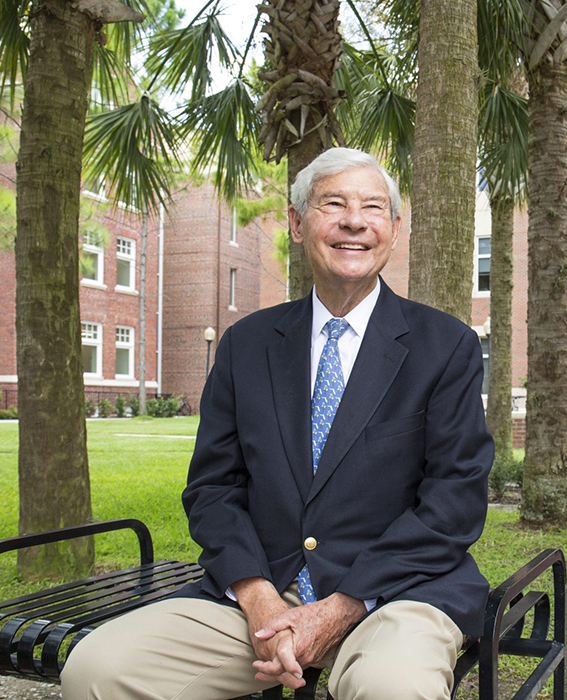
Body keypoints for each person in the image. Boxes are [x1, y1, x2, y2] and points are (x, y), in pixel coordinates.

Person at [61, 147, 494, 700]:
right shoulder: (248, 345)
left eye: (373, 207)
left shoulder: (446, 345)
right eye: (332, 203)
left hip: (397, 595)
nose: (354, 221)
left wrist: (340, 608)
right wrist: (257, 593)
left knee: (392, 688)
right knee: (97, 669)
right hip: (263, 595)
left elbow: (454, 502)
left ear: (393, 227)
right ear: (295, 222)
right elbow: (214, 489)